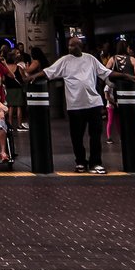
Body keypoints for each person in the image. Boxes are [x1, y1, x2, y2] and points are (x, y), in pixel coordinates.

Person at [46, 33, 111, 173]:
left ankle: (95, 162)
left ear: (79, 46)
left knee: (95, 135)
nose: (69, 48)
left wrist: (126, 76)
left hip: (93, 103)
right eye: (69, 45)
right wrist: (31, 78)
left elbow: (105, 73)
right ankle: (80, 161)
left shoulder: (90, 59)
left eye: (72, 45)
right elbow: (48, 72)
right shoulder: (65, 60)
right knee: (77, 136)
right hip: (75, 105)